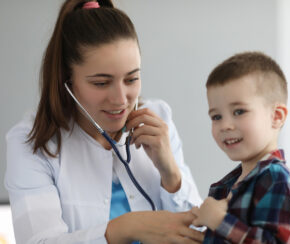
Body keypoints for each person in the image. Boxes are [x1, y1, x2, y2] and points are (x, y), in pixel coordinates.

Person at [4, 1, 203, 243]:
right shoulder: (31, 142)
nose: (120, 100)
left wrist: (171, 175)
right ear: (67, 81)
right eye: (101, 83)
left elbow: (200, 233)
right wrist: (127, 227)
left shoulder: (158, 119)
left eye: (131, 79)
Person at [191, 51, 290, 243]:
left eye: (239, 111)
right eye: (216, 117)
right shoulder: (229, 186)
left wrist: (220, 221)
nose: (225, 125)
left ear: (277, 116)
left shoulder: (275, 179)